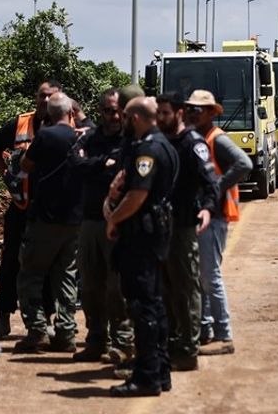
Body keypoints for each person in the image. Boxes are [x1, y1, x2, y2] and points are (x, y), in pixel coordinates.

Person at [103, 96, 179, 397]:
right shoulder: (164, 144)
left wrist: (113, 219)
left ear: (133, 119)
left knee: (142, 306)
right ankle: (160, 371)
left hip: (142, 236)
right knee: (154, 303)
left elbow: (137, 195)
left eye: (124, 117)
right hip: (154, 233)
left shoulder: (147, 149)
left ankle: (147, 376)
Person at [0, 80, 60, 339]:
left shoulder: (68, 124)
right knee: (10, 263)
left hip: (52, 210)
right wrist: (6, 174)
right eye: (41, 96)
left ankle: (46, 319)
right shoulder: (21, 123)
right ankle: (3, 316)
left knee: (49, 264)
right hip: (21, 205)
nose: (44, 102)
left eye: (50, 97)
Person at [13, 92, 83, 353]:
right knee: (66, 276)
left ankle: (37, 329)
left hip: (45, 217)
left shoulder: (46, 136)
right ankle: (66, 332)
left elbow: (26, 165)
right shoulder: (80, 136)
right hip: (74, 219)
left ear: (49, 115)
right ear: (71, 113)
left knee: (31, 273)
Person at [154, 92, 218, 372]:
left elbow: (210, 183)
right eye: (158, 113)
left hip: (182, 227)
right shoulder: (159, 141)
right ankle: (171, 343)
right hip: (160, 228)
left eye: (165, 113)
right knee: (165, 289)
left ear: (179, 113)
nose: (160, 118)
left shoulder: (193, 143)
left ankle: (189, 349)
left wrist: (206, 208)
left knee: (187, 288)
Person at [185, 90, 251, 356]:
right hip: (204, 216)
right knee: (201, 276)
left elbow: (244, 163)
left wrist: (217, 186)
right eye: (190, 109)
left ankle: (223, 334)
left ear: (211, 113)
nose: (192, 113)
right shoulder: (197, 139)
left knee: (210, 277)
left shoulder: (217, 139)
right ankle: (206, 329)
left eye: (198, 110)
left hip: (216, 216)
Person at [71, 88, 134, 363]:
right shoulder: (90, 137)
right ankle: (96, 339)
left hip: (117, 221)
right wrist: (102, 164)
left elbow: (122, 170)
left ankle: (122, 342)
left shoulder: (131, 141)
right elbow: (75, 165)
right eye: (108, 111)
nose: (114, 116)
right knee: (89, 285)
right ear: (100, 112)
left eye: (118, 110)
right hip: (89, 221)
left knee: (116, 286)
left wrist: (94, 165)